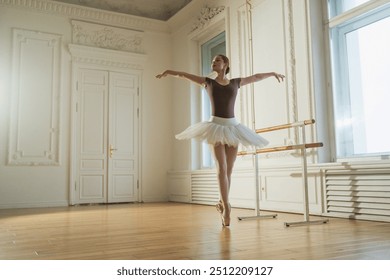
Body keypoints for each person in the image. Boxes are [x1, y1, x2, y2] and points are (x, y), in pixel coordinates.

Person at [156, 54, 285, 226]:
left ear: (225, 64)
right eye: (213, 61)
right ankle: (227, 207)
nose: (213, 62)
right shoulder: (207, 82)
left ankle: (222, 202)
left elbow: (255, 77)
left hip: (234, 128)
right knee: (221, 168)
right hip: (215, 127)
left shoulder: (235, 83)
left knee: (229, 170)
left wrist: (272, 73)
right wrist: (168, 72)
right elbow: (184, 75)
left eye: (217, 60)